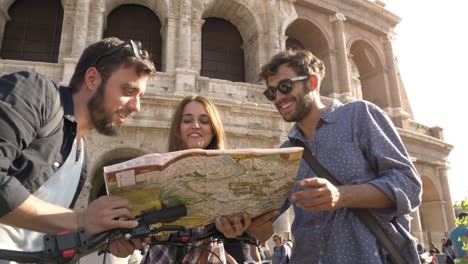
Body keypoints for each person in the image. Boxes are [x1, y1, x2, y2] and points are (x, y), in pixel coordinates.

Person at [216, 49, 422, 263]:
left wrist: (341, 195)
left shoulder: (359, 115)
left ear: (312, 82)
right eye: (271, 93)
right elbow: (264, 224)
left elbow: (408, 186)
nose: (278, 98)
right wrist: (241, 228)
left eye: (285, 86)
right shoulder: (287, 153)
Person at [0, 37, 156, 262]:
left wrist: (102, 239)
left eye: (140, 96)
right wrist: (80, 220)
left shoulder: (82, 157)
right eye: (128, 90)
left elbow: (50, 234)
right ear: (92, 79)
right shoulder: (35, 92)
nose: (136, 106)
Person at [142, 95, 229, 263]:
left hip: (208, 254)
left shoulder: (225, 174)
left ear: (213, 129)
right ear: (178, 128)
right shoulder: (157, 172)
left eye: (204, 121)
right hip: (163, 253)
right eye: (187, 120)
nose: (195, 126)